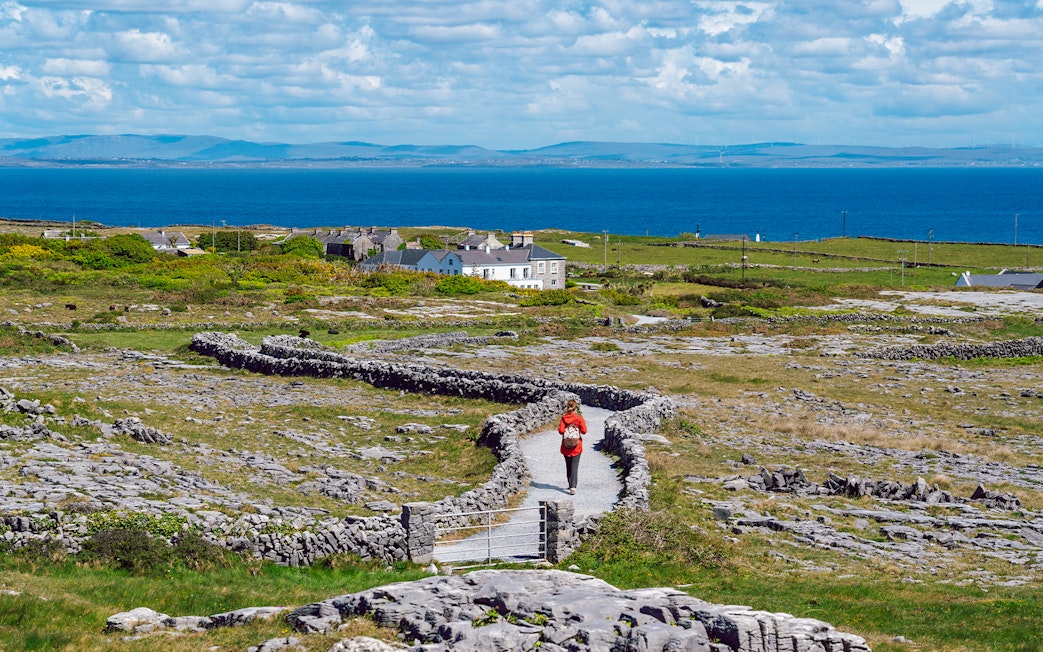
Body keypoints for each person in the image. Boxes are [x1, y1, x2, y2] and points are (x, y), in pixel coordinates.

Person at [557, 398, 587, 495]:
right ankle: (573, 487)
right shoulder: (579, 418)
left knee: (568, 465)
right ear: (575, 408)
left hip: (566, 446)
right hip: (576, 446)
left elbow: (561, 431)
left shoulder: (563, 418)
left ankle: (570, 484)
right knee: (575, 466)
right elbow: (584, 431)